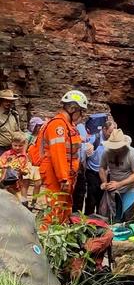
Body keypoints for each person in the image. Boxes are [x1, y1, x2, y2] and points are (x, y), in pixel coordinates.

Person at [39, 90, 87, 226]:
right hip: (57, 174)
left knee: (65, 209)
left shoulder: (69, 126)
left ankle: (61, 237)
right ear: (72, 109)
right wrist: (63, 178)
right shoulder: (58, 125)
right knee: (55, 208)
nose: (81, 116)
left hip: (66, 174)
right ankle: (47, 240)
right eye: (81, 111)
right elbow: (58, 154)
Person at [99, 129, 134, 223]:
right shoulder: (106, 152)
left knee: (127, 216)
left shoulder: (132, 153)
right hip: (114, 190)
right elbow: (102, 168)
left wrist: (120, 184)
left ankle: (130, 232)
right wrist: (104, 182)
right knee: (115, 218)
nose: (115, 149)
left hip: (130, 188)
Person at [83, 120, 114, 215]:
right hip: (93, 173)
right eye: (110, 132)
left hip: (105, 174)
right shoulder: (94, 139)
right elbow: (84, 152)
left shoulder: (112, 140)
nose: (111, 135)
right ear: (104, 129)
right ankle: (88, 220)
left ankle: (100, 221)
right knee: (91, 199)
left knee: (102, 199)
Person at [0, 132, 32, 199]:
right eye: (15, 145)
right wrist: (5, 166)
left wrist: (21, 171)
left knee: (16, 200)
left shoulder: (25, 157)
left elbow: (27, 171)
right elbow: (0, 163)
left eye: (20, 146)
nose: (17, 148)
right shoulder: (7, 154)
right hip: (4, 183)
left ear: (24, 145)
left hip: (17, 185)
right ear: (11, 144)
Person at [24, 117, 44, 208]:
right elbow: (24, 150)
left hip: (38, 162)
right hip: (29, 161)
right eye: (38, 126)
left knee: (38, 183)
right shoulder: (28, 136)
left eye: (40, 126)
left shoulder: (42, 136)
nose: (39, 128)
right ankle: (24, 200)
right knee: (26, 181)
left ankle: (34, 201)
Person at [0, 89, 21, 154]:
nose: (9, 103)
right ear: (1, 101)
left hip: (13, 149)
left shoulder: (14, 114)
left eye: (11, 101)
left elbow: (18, 131)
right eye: (6, 101)